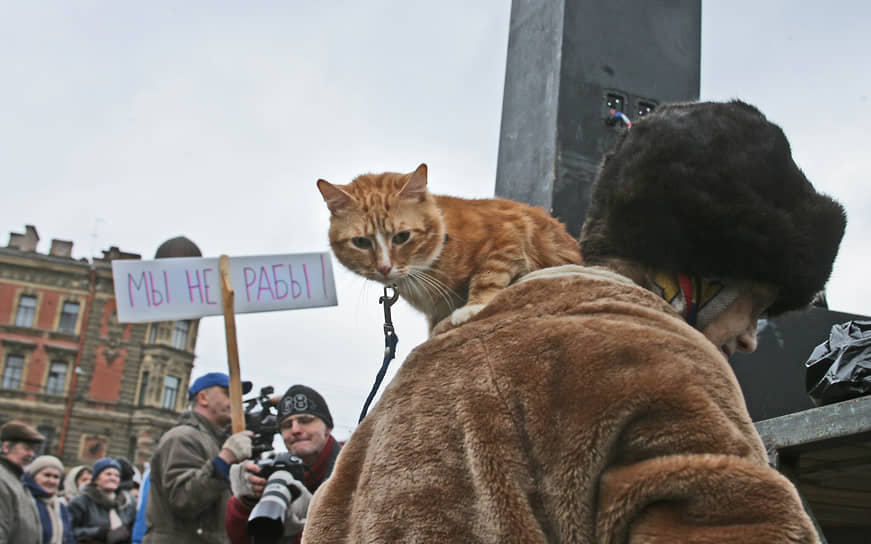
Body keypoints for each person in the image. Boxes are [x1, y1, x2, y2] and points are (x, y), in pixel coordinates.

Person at [301, 101, 847, 543]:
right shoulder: (662, 364)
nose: (751, 338)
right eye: (754, 304)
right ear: (699, 277)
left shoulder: (409, 387)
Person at [142, 372, 254, 544]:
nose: (237, 401)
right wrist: (224, 460)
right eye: (229, 393)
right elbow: (182, 499)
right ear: (203, 398)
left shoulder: (214, 440)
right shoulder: (182, 437)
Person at [225, 384, 342, 544]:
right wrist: (243, 503)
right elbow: (241, 539)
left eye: (305, 420)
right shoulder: (277, 471)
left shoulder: (352, 471)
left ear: (327, 428)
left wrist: (310, 517)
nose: (295, 430)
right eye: (286, 425)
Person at [68, 457, 136, 544]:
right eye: (108, 474)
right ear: (96, 478)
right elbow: (69, 530)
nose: (113, 478)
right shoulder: (81, 501)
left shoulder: (126, 503)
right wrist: (98, 532)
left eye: (117, 475)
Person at [0, 420, 44, 544]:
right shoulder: (2, 480)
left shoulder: (17, 479)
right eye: (26, 448)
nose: (31, 454)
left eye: (33, 450)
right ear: (6, 447)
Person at [23, 455, 74, 544]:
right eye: (47, 475)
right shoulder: (25, 501)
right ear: (34, 476)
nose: (52, 481)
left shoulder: (60, 506)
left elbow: (68, 537)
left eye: (56, 477)